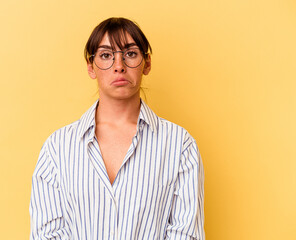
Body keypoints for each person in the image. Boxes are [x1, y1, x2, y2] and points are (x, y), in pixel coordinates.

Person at [30, 17, 205, 240]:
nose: (119, 66)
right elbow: (47, 235)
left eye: (130, 54)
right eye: (106, 55)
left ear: (147, 62)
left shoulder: (180, 145)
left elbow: (186, 233)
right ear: (90, 66)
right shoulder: (57, 148)